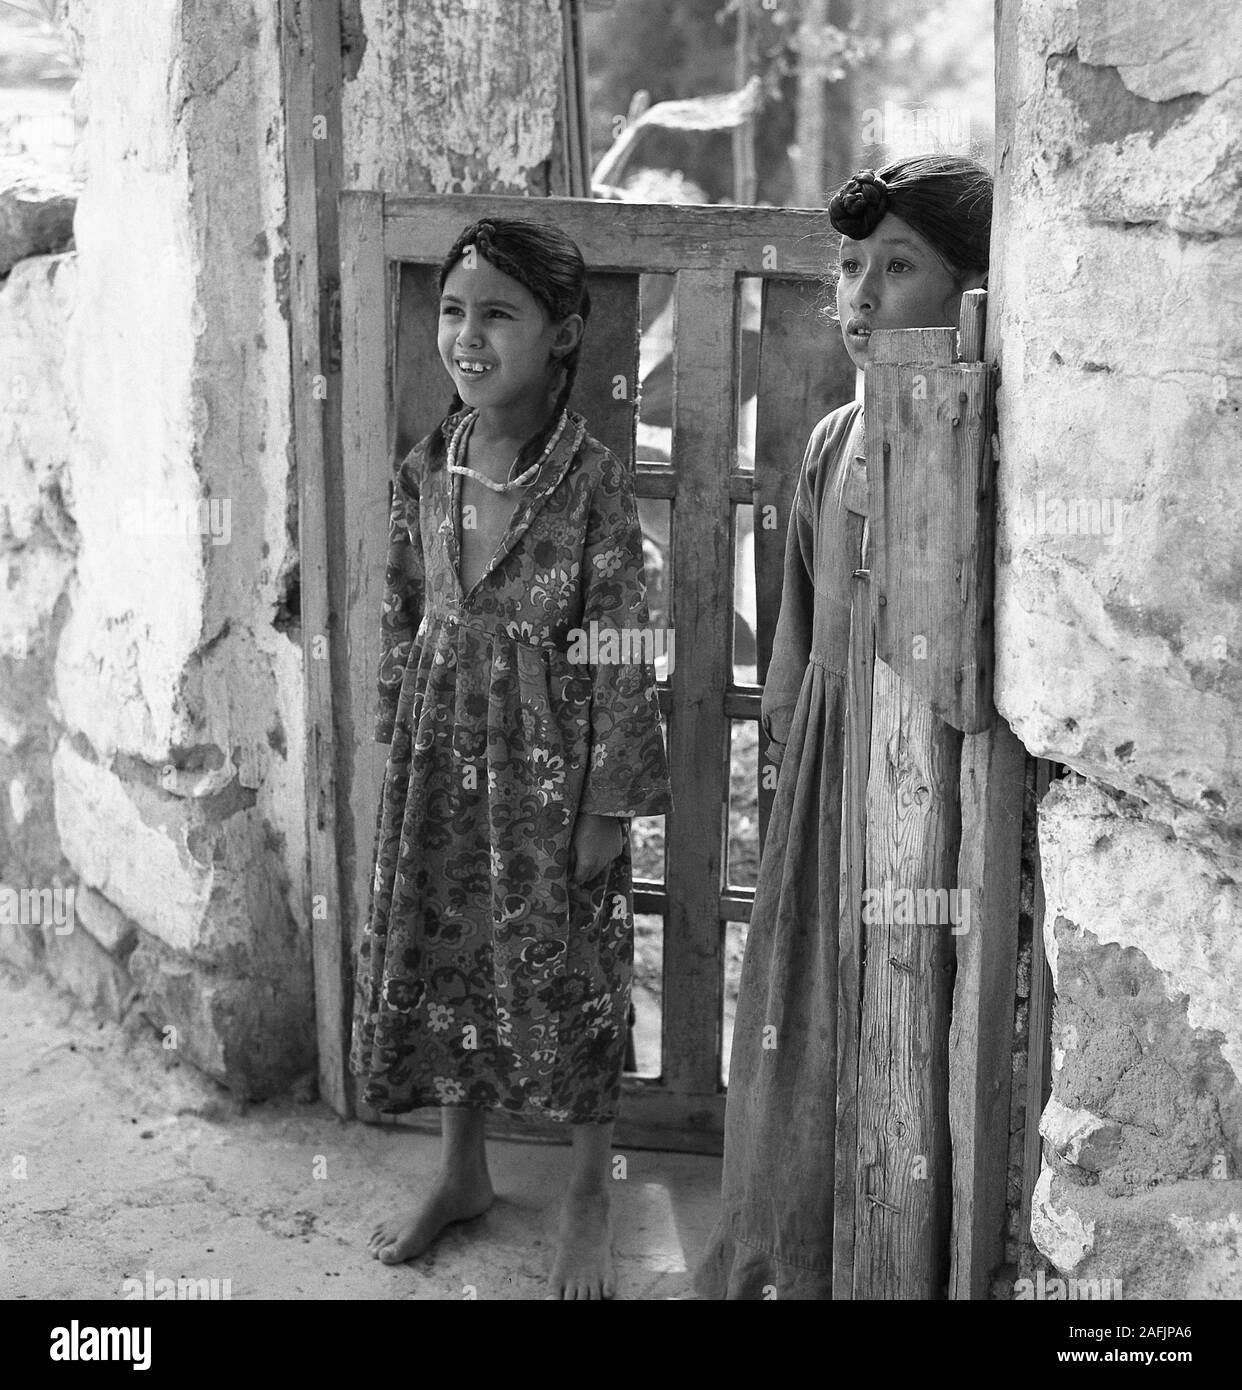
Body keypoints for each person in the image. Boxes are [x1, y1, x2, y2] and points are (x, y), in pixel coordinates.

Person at [351, 217, 671, 1300]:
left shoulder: (591, 485)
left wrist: (609, 805)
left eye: (498, 313)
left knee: (568, 972)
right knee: (450, 959)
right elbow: (400, 610)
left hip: (551, 775)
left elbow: (627, 647)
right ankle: (462, 1170)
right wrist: (399, 741)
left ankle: (590, 1186)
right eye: (452, 310)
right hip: (443, 766)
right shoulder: (426, 467)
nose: (467, 336)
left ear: (563, 334)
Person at [696, 155, 992, 1299]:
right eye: (851, 270)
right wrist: (782, 741)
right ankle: (781, 1258)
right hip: (829, 766)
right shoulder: (831, 439)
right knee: (799, 1011)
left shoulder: (966, 440)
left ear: (970, 292)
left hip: (921, 775)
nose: (862, 298)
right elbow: (797, 629)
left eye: (899, 268)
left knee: (911, 1020)